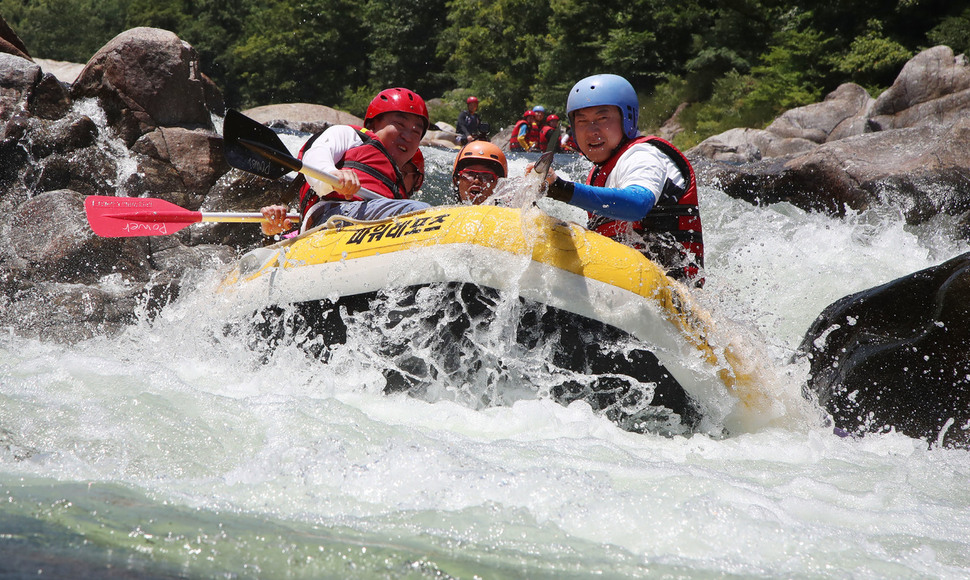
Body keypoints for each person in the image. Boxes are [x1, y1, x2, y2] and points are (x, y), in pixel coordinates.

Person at [540, 74, 704, 287]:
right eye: (582, 121)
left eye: (602, 119)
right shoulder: (600, 171)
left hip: (672, 290)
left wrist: (562, 189)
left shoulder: (643, 155)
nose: (592, 131)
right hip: (627, 287)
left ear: (627, 119)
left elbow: (637, 205)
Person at [261, 87, 431, 236]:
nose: (407, 136)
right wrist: (332, 175)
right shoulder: (352, 135)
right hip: (333, 216)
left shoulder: (397, 183)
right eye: (400, 124)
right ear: (372, 124)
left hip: (375, 226)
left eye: (416, 132)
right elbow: (316, 155)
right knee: (420, 213)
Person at [451, 140, 508, 205]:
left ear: (500, 185)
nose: (477, 181)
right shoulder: (441, 211)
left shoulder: (513, 212)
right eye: (470, 173)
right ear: (456, 180)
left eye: (486, 176)